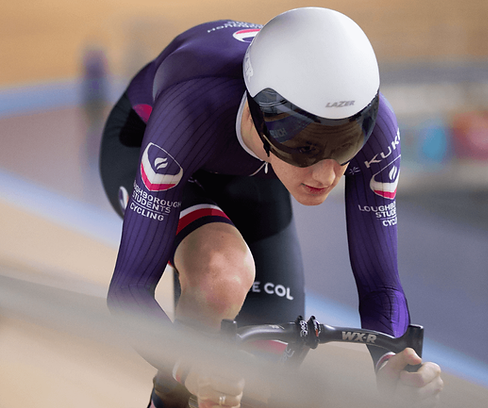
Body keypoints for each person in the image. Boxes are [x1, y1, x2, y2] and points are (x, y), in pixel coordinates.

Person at [98, 7, 444, 408]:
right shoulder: (191, 111)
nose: (326, 175)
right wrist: (186, 368)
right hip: (147, 141)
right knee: (221, 274)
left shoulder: (379, 127)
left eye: (345, 145)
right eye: (305, 145)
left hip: (258, 171)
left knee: (263, 382)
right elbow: (129, 290)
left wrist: (392, 363)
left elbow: (380, 285)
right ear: (261, 117)